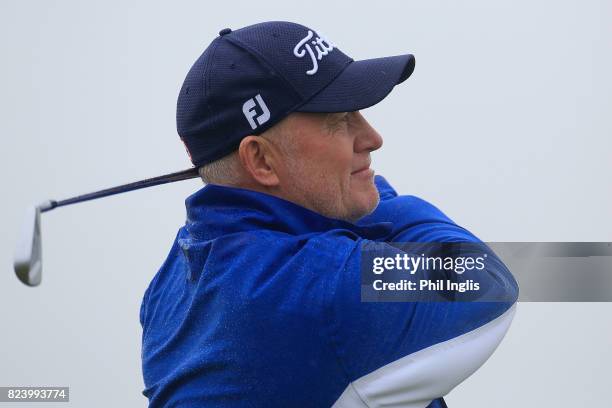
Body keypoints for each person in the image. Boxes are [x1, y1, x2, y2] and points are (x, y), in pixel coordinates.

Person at [139, 21, 519, 407]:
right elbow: (485, 281)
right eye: (338, 119)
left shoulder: (171, 283)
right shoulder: (325, 285)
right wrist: (376, 202)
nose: (372, 138)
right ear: (260, 160)